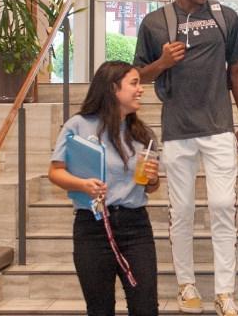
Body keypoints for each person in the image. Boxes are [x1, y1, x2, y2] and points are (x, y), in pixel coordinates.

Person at [133, 0, 238, 316]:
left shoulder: (225, 17)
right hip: (178, 130)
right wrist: (163, 62)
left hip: (218, 128)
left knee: (222, 207)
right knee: (181, 210)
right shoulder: (155, 22)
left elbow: (237, 72)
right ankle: (186, 286)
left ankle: (225, 293)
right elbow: (139, 77)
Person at [48, 60, 160, 316]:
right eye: (134, 83)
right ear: (112, 88)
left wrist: (153, 179)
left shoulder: (143, 134)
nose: (140, 89)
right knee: (99, 309)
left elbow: (151, 187)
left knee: (145, 308)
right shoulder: (77, 125)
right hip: (92, 227)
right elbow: (54, 171)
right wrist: (82, 185)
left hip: (136, 228)